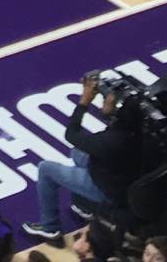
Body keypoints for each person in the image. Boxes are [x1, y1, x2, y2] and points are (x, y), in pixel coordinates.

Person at [24, 70, 146, 240]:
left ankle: (49, 226)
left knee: (46, 169)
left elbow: (72, 134)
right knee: (78, 152)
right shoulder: (139, 129)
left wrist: (84, 101)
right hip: (124, 177)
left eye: (109, 100)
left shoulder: (110, 141)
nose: (106, 101)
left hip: (107, 189)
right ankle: (84, 205)